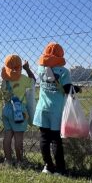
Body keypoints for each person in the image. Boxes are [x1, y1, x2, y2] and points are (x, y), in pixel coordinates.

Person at [33, 42, 78, 175]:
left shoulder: (41, 69)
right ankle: (60, 168)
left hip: (42, 108)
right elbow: (67, 89)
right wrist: (77, 89)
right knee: (56, 139)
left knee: (44, 138)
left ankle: (47, 166)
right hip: (56, 110)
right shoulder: (64, 72)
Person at [0, 54, 36, 166]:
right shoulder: (23, 79)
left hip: (6, 109)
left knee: (8, 136)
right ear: (20, 66)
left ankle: (8, 160)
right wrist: (27, 69)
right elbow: (33, 81)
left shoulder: (4, 81)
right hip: (19, 110)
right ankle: (20, 161)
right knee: (18, 137)